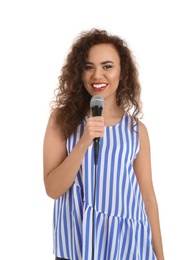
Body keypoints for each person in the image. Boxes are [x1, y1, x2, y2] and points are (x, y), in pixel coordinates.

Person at [43, 28, 165, 260]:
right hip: (77, 247)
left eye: (107, 66)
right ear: (79, 73)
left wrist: (160, 257)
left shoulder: (136, 130)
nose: (97, 75)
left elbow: (148, 197)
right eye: (89, 67)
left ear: (122, 72)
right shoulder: (62, 120)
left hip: (129, 247)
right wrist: (83, 142)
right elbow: (53, 189)